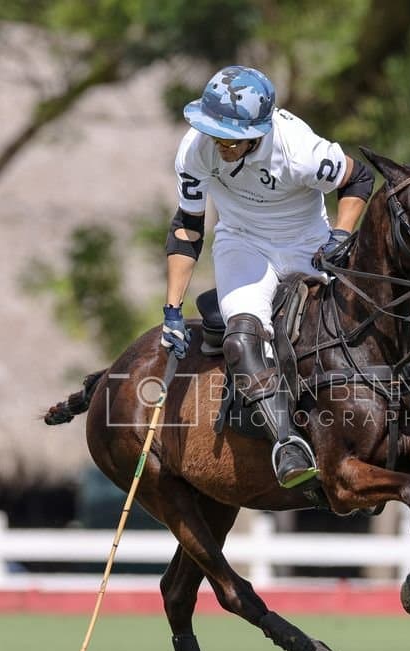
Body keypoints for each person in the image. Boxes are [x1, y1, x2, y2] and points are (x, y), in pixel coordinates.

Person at [160, 65, 374, 489]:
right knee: (241, 337)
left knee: (350, 329)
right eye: (213, 131)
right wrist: (172, 308)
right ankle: (286, 444)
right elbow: (187, 224)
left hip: (306, 242)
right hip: (242, 242)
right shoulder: (195, 150)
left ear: (258, 131)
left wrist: (342, 235)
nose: (219, 144)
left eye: (230, 137)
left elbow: (360, 178)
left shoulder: (300, 150)